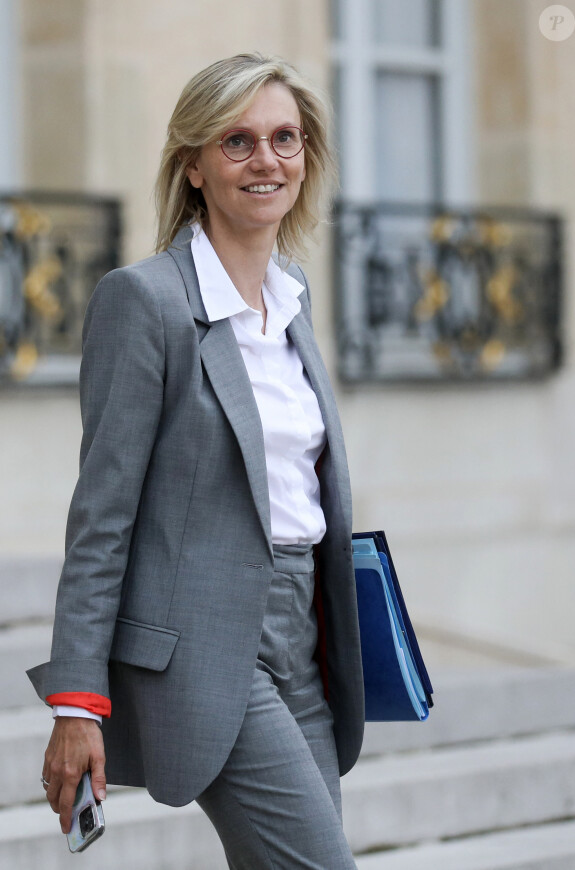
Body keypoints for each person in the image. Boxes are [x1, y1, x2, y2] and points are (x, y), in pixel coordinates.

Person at [27, 52, 364, 869]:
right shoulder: (146, 302)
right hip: (211, 651)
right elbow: (102, 516)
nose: (267, 161)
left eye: (285, 138)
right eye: (238, 141)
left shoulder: (291, 300)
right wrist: (77, 702)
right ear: (196, 165)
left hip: (305, 632)